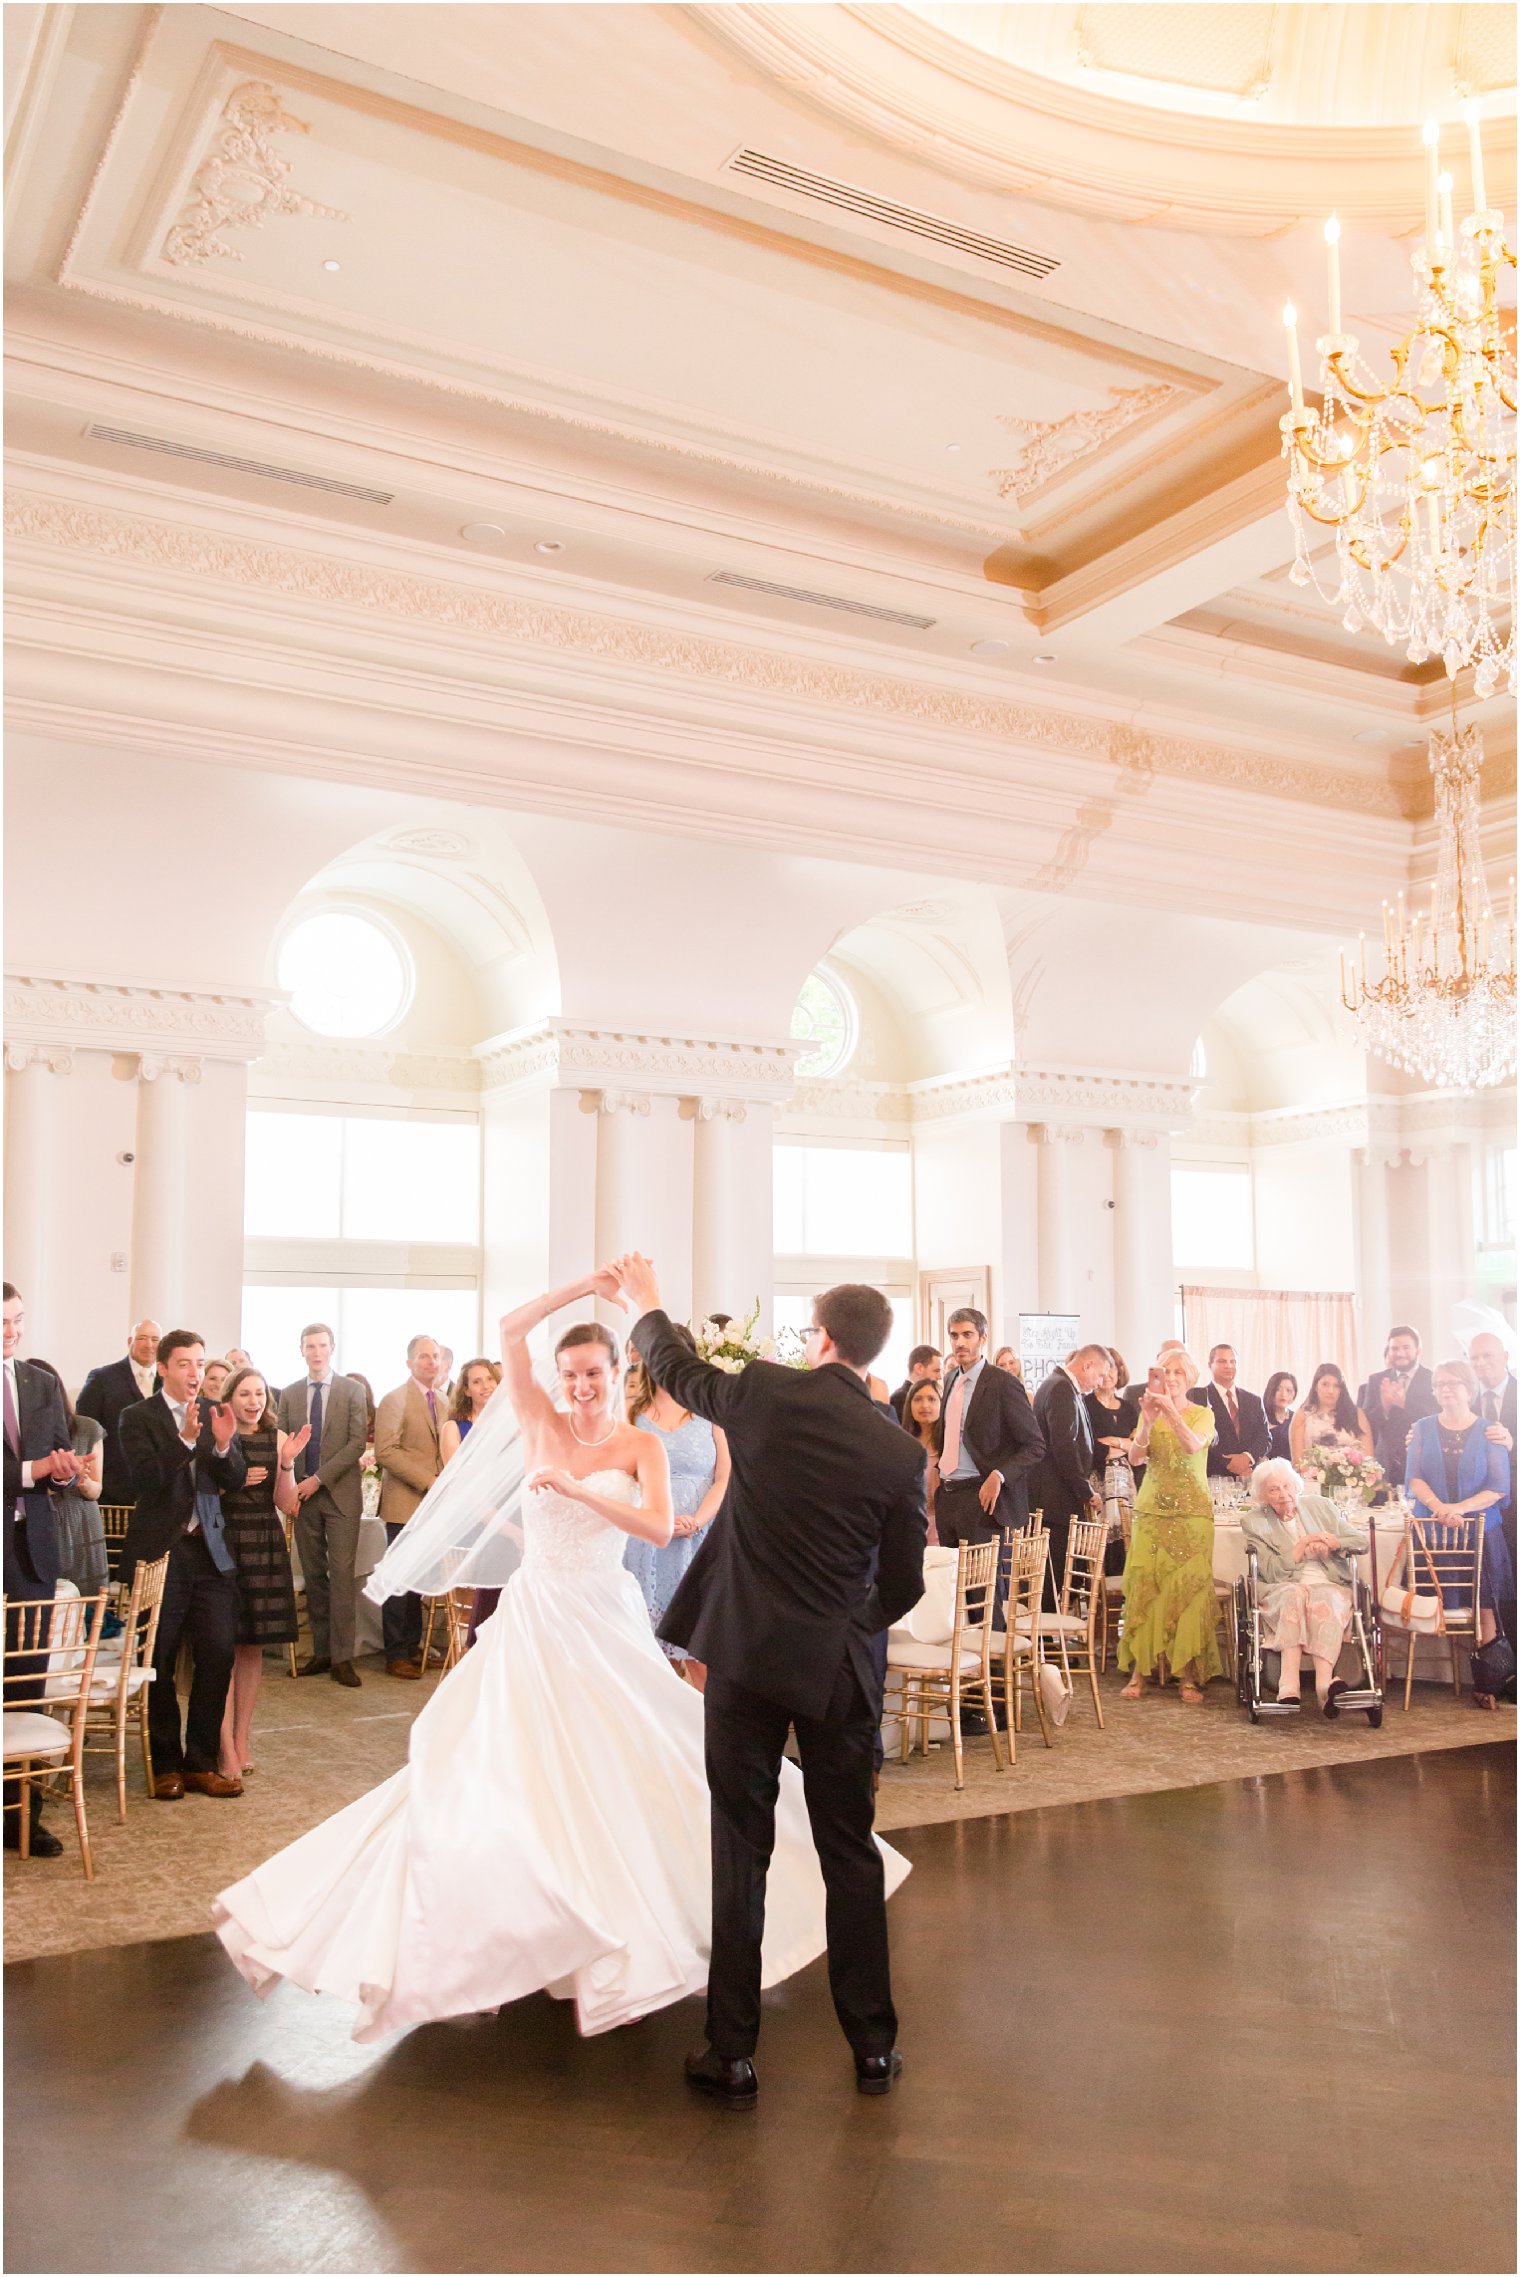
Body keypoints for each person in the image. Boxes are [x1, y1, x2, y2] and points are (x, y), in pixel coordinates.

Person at [215, 1266, 904, 2061]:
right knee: (505, 1778)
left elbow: (654, 1526)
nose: (579, 1386)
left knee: (619, 1777)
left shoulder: (646, 1439)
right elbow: (513, 1331)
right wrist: (580, 1290)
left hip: (604, 1614)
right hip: (538, 1617)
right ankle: (513, 1943)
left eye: (593, 1373)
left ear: (620, 1375)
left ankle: (634, 1961)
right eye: (569, 1373)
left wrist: (583, 1492)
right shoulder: (539, 1421)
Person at [618, 1254, 925, 2108]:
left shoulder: (762, 1393)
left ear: (818, 1338)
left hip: (746, 1658)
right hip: (839, 1671)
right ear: (870, 1351)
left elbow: (677, 1369)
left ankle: (732, 2051)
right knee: (848, 1853)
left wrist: (647, 1301)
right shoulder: (899, 1451)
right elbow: (904, 1583)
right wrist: (847, 1626)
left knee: (739, 1848)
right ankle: (872, 2047)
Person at [119, 1330, 247, 1799]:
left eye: (200, 1364)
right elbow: (148, 1482)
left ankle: (201, 1762)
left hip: (209, 1551)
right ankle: (165, 1765)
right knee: (160, 1659)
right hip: (162, 1553)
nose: (196, 1374)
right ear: (165, 1368)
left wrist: (219, 1446)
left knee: (217, 1652)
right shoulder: (137, 1417)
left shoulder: (217, 1412)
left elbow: (232, 1479)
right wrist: (184, 1441)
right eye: (186, 1365)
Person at [3, 1283, 79, 1857]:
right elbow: (25, 1465)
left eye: (18, 1319)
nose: (12, 1331)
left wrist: (66, 1471)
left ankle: (23, 1815)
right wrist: (32, 1470)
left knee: (26, 1687)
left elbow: (59, 1453)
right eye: (4, 1322)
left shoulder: (38, 1380)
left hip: (34, 1552)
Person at [1403, 1359, 1514, 1704]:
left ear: (1469, 1388)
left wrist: (1459, 1509)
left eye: (1454, 1383)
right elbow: (1414, 1477)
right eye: (1439, 1384)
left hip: (1479, 1529)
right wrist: (1439, 1507)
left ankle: (1488, 1682)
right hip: (1433, 1530)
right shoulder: (1421, 1428)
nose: (1446, 1389)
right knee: (1435, 1600)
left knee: (1484, 1604)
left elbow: (1498, 1486)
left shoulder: (1490, 1431)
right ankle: (1421, 1679)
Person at [624, 1325, 729, 1688]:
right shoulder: (631, 1411)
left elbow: (725, 1478)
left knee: (700, 1656)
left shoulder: (710, 1411)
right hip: (647, 1539)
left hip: (698, 1538)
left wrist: (698, 1520)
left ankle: (712, 1741)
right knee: (655, 1658)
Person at [1118, 1347, 1220, 1704]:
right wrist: (1146, 1421)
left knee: (1189, 1592)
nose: (1172, 1378)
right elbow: (1134, 1457)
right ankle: (1139, 1672)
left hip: (1192, 1512)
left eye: (1178, 1372)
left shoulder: (1203, 1414)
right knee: (1146, 1589)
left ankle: (1188, 1676)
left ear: (1189, 1378)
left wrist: (1172, 1414)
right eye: (1166, 1372)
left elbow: (1193, 1446)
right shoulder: (1149, 1411)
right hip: (1153, 1509)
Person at [217, 1368, 305, 1780]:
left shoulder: (278, 1438)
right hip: (223, 1542)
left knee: (251, 1648)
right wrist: (229, 1480)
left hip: (264, 1542)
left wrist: (286, 1465)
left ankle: (242, 1737)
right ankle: (221, 1746)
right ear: (229, 1397)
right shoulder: (220, 1436)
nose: (254, 1402)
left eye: (259, 1394)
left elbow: (288, 1504)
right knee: (221, 1648)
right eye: (245, 1394)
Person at [277, 1324, 369, 1689]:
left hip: (339, 1495)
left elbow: (357, 1443)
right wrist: (294, 1484)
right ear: (301, 1350)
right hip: (302, 1496)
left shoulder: (352, 1390)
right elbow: (283, 1442)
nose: (316, 1352)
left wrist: (318, 1479)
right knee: (314, 1576)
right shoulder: (289, 1394)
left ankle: (344, 1658)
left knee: (342, 1576)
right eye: (309, 1346)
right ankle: (322, 1651)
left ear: (332, 1348)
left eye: (322, 1345)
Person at [1241, 1459, 1369, 1713]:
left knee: (1326, 1599)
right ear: (1262, 1495)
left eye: (1287, 1486)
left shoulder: (1321, 1506)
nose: (1283, 1494)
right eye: (1273, 1489)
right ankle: (1289, 1683)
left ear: (1296, 1485)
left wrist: (1333, 1543)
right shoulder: (1255, 1522)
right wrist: (1302, 1545)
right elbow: (1272, 1572)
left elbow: (1360, 1541)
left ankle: (1324, 1685)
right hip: (1282, 1586)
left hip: (1327, 1582)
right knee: (1294, 1594)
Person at [933, 1306, 1043, 1548]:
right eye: (954, 1335)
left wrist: (999, 1475)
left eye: (967, 1334)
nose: (959, 1342)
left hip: (981, 1497)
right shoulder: (950, 1379)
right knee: (951, 1582)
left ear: (983, 1338)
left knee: (982, 1586)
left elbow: (1035, 1446)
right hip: (948, 1496)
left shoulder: (1004, 1383)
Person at [372, 1335, 446, 1680]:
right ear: (409, 1363)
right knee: (398, 1581)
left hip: (435, 1507)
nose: (430, 1362)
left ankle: (416, 1647)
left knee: (419, 1579)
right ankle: (396, 1652)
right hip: (404, 1502)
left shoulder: (445, 1401)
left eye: (435, 1356)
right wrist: (427, 1480)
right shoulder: (394, 1399)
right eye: (423, 1356)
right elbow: (385, 1451)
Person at [1029, 1345, 1107, 1590]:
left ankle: (1053, 1625)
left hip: (1055, 1496)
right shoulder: (1061, 1388)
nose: (1100, 1382)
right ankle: (1051, 1628)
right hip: (1055, 1499)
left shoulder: (1060, 1384)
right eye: (1100, 1375)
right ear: (1087, 1365)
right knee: (1054, 1578)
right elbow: (1064, 1445)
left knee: (1057, 1577)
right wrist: (1086, 1491)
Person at [29, 1360, 107, 1599]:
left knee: (88, 1603)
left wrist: (83, 1481)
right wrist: (60, 1479)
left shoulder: (87, 1428)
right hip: (42, 1520)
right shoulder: (23, 1433)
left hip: (82, 1522)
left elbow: (96, 1490)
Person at [442, 1359, 505, 1647]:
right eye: (477, 1382)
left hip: (504, 1512)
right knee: (501, 1548)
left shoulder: (507, 1425)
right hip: (470, 1517)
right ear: (466, 1390)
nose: (486, 1386)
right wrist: (492, 1517)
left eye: (489, 1379)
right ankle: (481, 1642)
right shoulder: (454, 1428)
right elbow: (460, 1483)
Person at [76, 1317, 162, 1511]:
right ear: (130, 1341)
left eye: (155, 1339)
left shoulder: (168, 1382)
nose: (149, 1345)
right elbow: (84, 1429)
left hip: (157, 1493)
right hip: (113, 1491)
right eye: (142, 1338)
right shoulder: (102, 1379)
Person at [1468, 1330, 1516, 1646]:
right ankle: (1500, 1664)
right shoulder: (1466, 1398)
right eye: (1475, 1358)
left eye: (1488, 1356)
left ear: (1506, 1358)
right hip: (1482, 1507)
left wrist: (1513, 1444)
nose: (1482, 1363)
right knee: (1493, 1585)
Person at [1358, 1327, 1435, 1479]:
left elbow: (1436, 1417)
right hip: (1385, 1463)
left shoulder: (1432, 1379)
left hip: (1422, 1461)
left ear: (1418, 1350)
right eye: (1394, 1348)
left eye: (1406, 1348)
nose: (1399, 1353)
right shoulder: (1376, 1380)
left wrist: (1405, 1403)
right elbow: (1365, 1424)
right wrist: (1385, 1406)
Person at [1196, 1344, 1271, 1481]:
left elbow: (1265, 1437)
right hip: (1214, 1477)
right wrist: (1230, 1463)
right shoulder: (1200, 1398)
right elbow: (1201, 1439)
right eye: (1222, 1361)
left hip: (1250, 1476)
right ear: (1210, 1365)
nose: (1228, 1366)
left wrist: (1247, 1458)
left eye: (1233, 1361)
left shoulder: (1253, 1400)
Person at [1290, 1364, 1375, 1471]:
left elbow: (1369, 1459)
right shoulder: (1303, 1415)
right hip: (1313, 1482)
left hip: (1352, 1481)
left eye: (1336, 1386)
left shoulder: (1357, 1414)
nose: (1331, 1390)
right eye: (1325, 1384)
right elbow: (1298, 1463)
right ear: (1316, 1386)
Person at [900, 1380, 942, 1544]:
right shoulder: (902, 1444)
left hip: (941, 1529)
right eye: (917, 1399)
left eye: (931, 1399)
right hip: (910, 1527)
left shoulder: (949, 1446)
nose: (924, 1405)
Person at [1085, 1349, 1138, 1457]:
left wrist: (1113, 1441)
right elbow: (1087, 1447)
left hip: (1129, 1471)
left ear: (1119, 1372)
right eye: (1102, 1369)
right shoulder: (1084, 1405)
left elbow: (1138, 1448)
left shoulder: (1129, 1408)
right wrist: (1125, 1444)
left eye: (1111, 1368)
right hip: (1096, 1471)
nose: (1106, 1374)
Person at [888, 1346, 941, 1422]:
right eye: (936, 1371)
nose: (939, 1377)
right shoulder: (900, 1398)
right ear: (919, 1368)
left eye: (931, 1399)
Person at [1262, 1371, 1298, 1463]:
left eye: (1289, 1390)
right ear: (1270, 1390)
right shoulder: (1260, 1416)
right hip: (1265, 1470)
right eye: (1278, 1389)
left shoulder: (1297, 1418)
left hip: (1292, 1471)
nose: (1283, 1394)